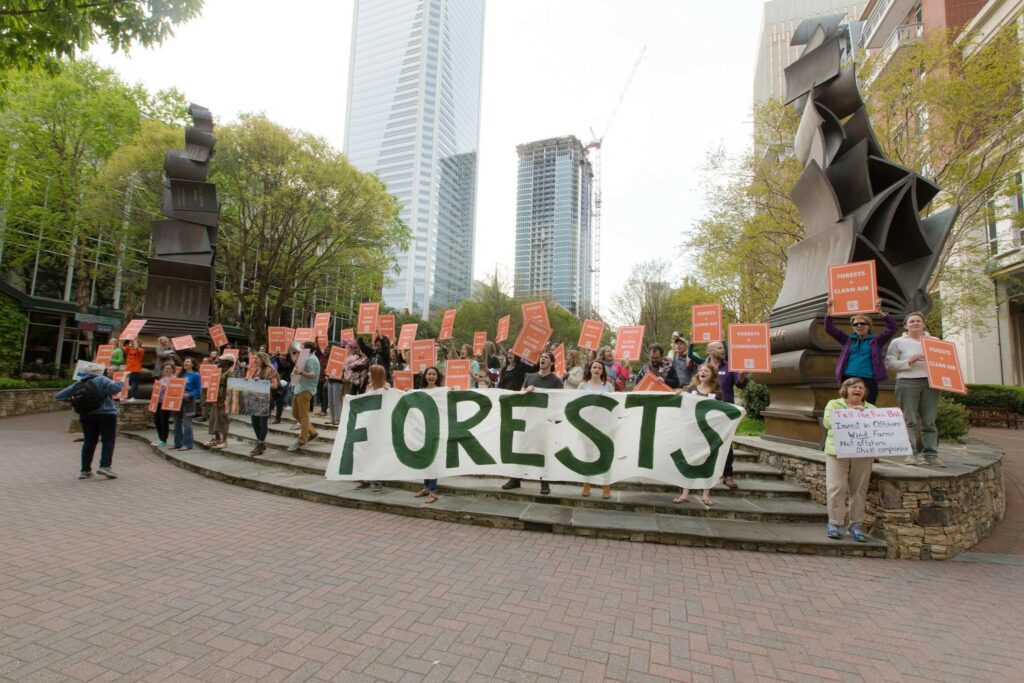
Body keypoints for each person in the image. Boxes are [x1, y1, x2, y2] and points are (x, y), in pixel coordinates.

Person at [885, 311, 943, 467]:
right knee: (909, 420)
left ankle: (931, 455)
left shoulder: (934, 341)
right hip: (907, 382)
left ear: (924, 324)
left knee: (929, 421)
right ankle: (910, 454)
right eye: (911, 322)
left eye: (918, 321)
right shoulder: (898, 342)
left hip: (931, 384)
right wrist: (908, 361)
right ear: (906, 326)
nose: (915, 323)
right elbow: (889, 364)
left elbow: (945, 362)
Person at [822, 378, 875, 541]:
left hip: (862, 453)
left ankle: (855, 525)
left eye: (861, 387)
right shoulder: (834, 404)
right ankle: (834, 523)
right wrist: (851, 414)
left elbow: (877, 428)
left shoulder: (871, 408)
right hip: (837, 452)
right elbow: (827, 423)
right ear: (846, 389)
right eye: (854, 387)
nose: (858, 389)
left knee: (859, 490)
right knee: (836, 487)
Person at [688, 340, 747, 489]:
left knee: (726, 444)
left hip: (725, 413)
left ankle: (728, 475)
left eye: (723, 347)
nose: (723, 350)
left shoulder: (730, 367)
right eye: (719, 348)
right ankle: (699, 474)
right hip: (704, 414)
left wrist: (741, 376)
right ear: (710, 351)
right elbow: (695, 386)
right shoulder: (702, 367)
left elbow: (741, 384)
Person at [503, 351, 563, 495]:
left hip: (544, 423)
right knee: (521, 449)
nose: (542, 359)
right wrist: (526, 391)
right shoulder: (529, 377)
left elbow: (559, 402)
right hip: (528, 420)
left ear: (552, 362)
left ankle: (544, 482)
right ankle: (515, 479)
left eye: (546, 357)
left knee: (543, 452)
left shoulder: (556, 381)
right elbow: (520, 395)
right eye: (541, 357)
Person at [55, 366, 125, 479]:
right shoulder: (102, 379)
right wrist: (122, 382)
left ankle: (85, 470)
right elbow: (114, 389)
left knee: (89, 442)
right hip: (106, 414)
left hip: (86, 415)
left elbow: (58, 396)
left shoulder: (79, 384)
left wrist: (74, 400)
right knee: (108, 440)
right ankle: (105, 467)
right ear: (99, 372)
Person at [824, 299, 898, 405]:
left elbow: (893, 328)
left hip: (868, 379)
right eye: (856, 324)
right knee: (848, 405)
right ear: (853, 328)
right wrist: (830, 310)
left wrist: (881, 313)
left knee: (868, 406)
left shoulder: (876, 341)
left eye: (863, 323)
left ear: (868, 326)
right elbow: (829, 328)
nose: (859, 326)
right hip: (849, 378)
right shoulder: (847, 340)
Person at [673, 364, 721, 506]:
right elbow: (682, 401)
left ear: (712, 374)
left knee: (708, 462)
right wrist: (678, 394)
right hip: (692, 432)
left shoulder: (718, 392)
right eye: (700, 370)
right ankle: (684, 494)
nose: (702, 372)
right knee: (689, 460)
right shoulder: (691, 389)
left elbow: (721, 411)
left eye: (706, 370)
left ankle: (706, 495)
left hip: (708, 432)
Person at [579, 359, 614, 499]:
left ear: (602, 371)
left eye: (600, 367)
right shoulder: (582, 385)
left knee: (605, 456)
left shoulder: (609, 386)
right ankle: (587, 483)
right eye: (594, 367)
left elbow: (614, 405)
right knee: (588, 456)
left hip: (604, 426)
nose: (597, 369)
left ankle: (606, 485)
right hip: (586, 425)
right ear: (590, 369)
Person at [354, 365, 389, 492]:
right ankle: (365, 478)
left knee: (377, 452)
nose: (368, 374)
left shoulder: (386, 387)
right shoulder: (368, 386)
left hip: (379, 424)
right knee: (366, 450)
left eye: (371, 372)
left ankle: (377, 479)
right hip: (367, 423)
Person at [414, 366, 444, 504]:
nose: (431, 376)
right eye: (429, 373)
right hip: (422, 430)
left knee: (433, 460)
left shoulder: (442, 391)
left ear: (437, 377)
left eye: (434, 374)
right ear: (425, 376)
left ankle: (433, 491)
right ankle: (426, 487)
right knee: (425, 459)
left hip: (435, 429)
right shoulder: (420, 391)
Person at [288, 341, 320, 452]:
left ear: (308, 349)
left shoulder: (312, 359)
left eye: (303, 347)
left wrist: (300, 373)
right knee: (295, 414)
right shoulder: (306, 357)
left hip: (306, 389)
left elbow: (312, 375)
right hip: (300, 388)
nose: (301, 349)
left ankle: (302, 439)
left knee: (303, 415)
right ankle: (313, 432)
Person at [249, 352, 280, 455]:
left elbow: (275, 385)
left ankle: (260, 443)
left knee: (262, 422)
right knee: (254, 422)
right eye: (254, 359)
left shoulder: (271, 370)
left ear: (262, 359)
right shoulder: (256, 370)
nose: (254, 360)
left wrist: (262, 381)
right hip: (255, 399)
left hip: (266, 399)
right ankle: (260, 442)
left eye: (256, 359)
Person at [204, 354, 234, 449]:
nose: (219, 362)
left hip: (223, 399)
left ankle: (224, 440)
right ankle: (216, 439)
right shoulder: (218, 370)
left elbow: (229, 387)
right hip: (215, 397)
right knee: (214, 418)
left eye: (221, 360)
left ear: (227, 362)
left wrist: (223, 399)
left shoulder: (230, 372)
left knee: (223, 419)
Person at [173, 358, 201, 451]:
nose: (185, 363)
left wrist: (189, 394)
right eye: (185, 361)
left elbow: (198, 390)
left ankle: (188, 444)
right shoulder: (180, 374)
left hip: (188, 401)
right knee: (177, 422)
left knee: (187, 423)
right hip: (178, 400)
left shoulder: (196, 375)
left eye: (188, 361)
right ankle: (178, 443)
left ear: (192, 364)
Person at [151, 362, 176, 447]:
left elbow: (175, 390)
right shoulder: (162, 379)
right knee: (157, 421)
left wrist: (166, 387)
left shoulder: (174, 379)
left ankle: (163, 439)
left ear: (172, 370)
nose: (166, 370)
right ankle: (160, 438)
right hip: (158, 402)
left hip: (166, 403)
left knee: (163, 421)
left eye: (168, 368)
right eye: (165, 368)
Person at [271, 351, 293, 423]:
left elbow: (281, 366)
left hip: (283, 384)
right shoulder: (274, 362)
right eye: (281, 355)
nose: (282, 357)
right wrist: (274, 356)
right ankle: (267, 416)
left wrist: (277, 358)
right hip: (274, 383)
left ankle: (277, 418)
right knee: (271, 401)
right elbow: (270, 362)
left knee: (279, 402)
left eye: (284, 356)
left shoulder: (287, 364)